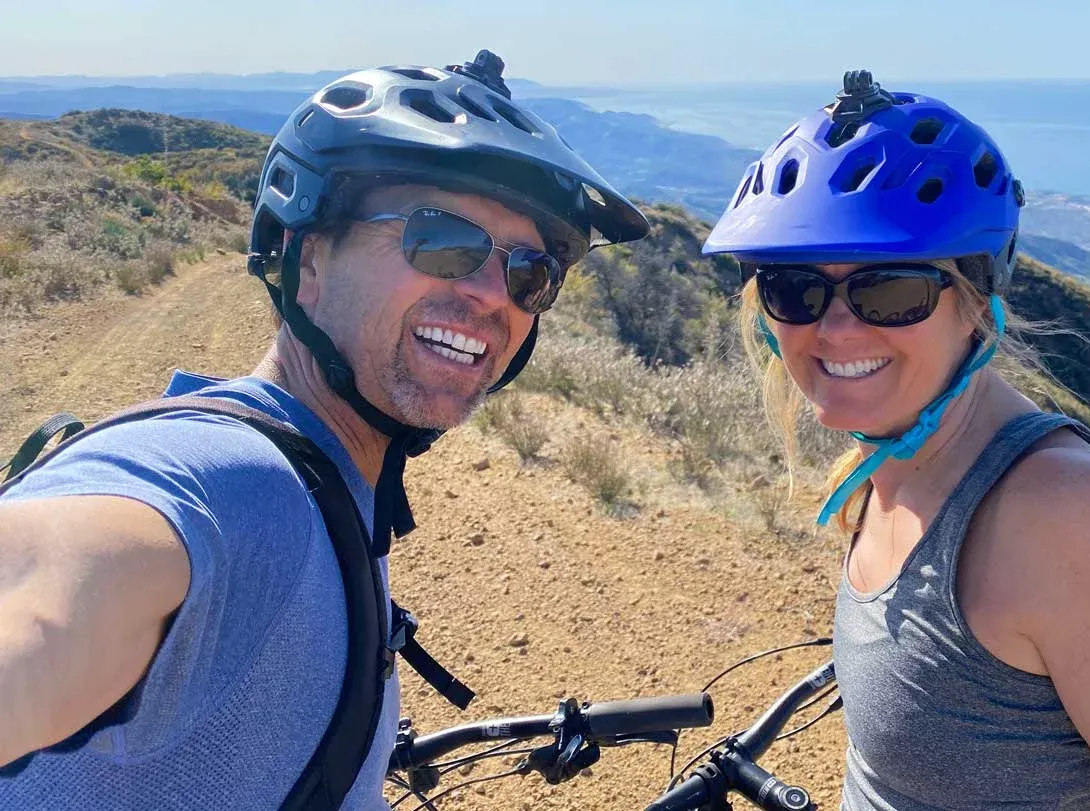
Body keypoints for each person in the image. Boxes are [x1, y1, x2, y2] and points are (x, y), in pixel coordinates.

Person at [0, 51, 648, 809]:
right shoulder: (229, 484)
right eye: (442, 241)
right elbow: (53, 591)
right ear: (307, 254)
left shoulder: (334, 483)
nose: (489, 295)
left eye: (529, 273)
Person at [701, 71, 1090, 810]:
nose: (833, 329)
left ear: (972, 305)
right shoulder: (891, 458)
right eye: (795, 289)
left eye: (889, 292)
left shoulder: (1072, 523)